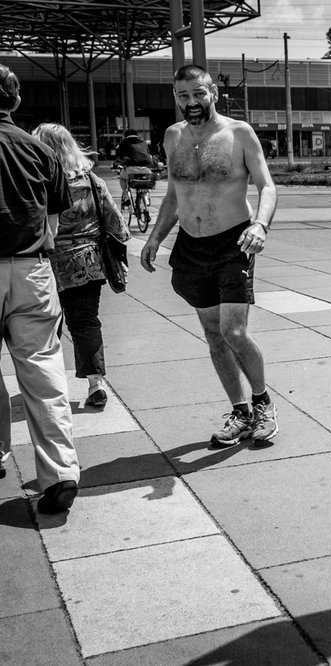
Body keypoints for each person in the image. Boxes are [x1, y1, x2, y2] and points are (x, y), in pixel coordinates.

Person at [140, 64, 279, 447]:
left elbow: (267, 186)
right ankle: (240, 411)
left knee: (234, 331)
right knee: (214, 336)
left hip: (234, 242)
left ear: (212, 91)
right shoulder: (172, 138)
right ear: (175, 97)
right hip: (191, 245)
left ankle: (263, 402)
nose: (192, 102)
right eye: (183, 96)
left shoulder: (239, 133)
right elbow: (173, 196)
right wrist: (154, 239)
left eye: (199, 93)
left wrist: (260, 226)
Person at [0, 63, 81, 512]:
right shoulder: (39, 150)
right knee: (44, 370)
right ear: (14, 100)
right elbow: (51, 224)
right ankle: (61, 473)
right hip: (32, 269)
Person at [32, 122, 131, 410]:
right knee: (86, 322)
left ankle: (47, 385)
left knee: (44, 326)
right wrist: (122, 255)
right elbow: (114, 220)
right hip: (87, 263)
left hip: (47, 263)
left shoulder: (38, 181)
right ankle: (95, 383)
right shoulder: (89, 180)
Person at [114, 128, 157, 207]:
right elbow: (148, 154)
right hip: (146, 169)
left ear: (125, 135)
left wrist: (116, 165)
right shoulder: (143, 143)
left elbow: (119, 157)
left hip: (131, 169)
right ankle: (145, 195)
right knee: (144, 180)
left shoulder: (123, 143)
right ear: (136, 135)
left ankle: (126, 196)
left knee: (122, 178)